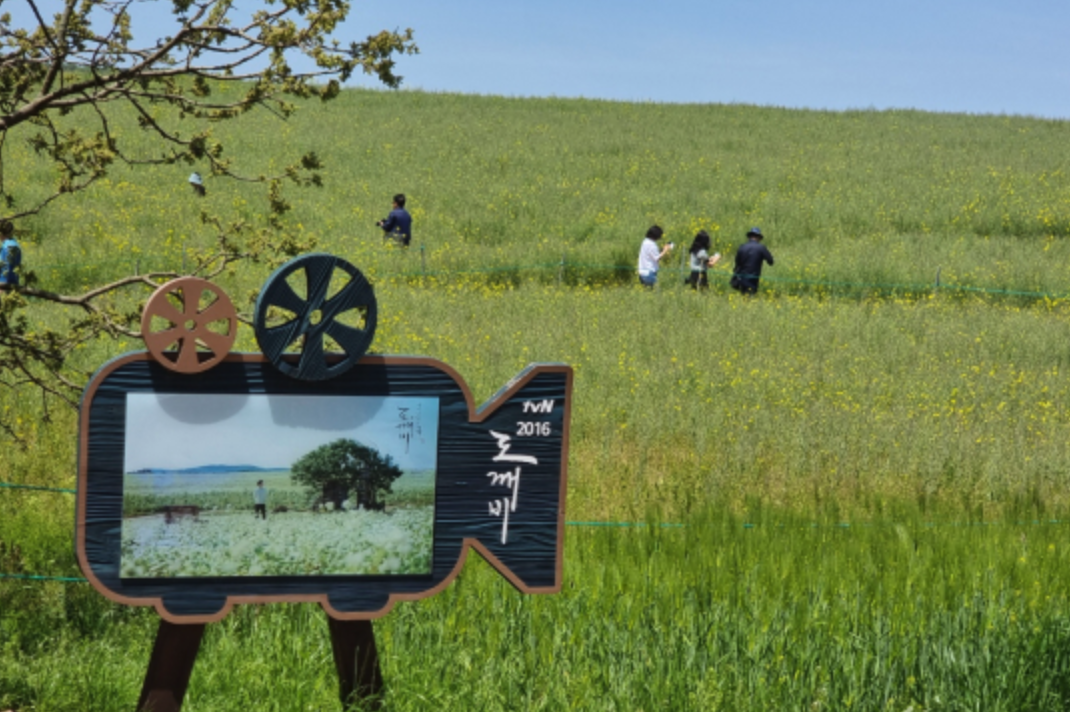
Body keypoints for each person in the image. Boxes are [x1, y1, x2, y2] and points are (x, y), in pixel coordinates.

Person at [732, 227, 774, 294]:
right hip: (753, 277)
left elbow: (737, 262)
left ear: (749, 237)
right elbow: (771, 261)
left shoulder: (742, 247)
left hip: (741, 277)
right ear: (758, 238)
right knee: (751, 295)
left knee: (744, 295)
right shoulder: (761, 248)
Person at [0, 220, 22, 289]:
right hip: (14, 284)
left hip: (6, 286)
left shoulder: (8, 247)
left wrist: (2, 288)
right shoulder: (14, 244)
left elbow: (6, 271)